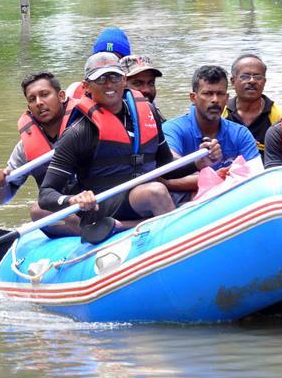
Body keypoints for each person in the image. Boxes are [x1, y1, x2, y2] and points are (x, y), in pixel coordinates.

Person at [38, 53, 222, 243]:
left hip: (139, 198)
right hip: (103, 205)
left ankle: (127, 226)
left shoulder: (148, 113)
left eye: (114, 77)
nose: (109, 84)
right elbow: (46, 194)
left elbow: (165, 165)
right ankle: (180, 246)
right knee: (156, 192)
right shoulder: (77, 133)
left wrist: (197, 162)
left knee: (155, 191)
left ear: (124, 80)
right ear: (86, 86)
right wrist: (73, 200)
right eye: (100, 79)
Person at [0, 72, 80, 236]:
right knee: (38, 211)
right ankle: (91, 228)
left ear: (61, 96)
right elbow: (3, 199)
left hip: (96, 198)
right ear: (29, 107)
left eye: (45, 95)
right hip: (64, 206)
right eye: (32, 99)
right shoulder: (25, 147)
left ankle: (106, 224)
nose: (39, 103)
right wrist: (0, 184)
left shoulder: (85, 126)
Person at [163, 65, 262, 173]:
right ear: (193, 97)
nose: (215, 100)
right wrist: (214, 175)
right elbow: (167, 171)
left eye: (220, 94)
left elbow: (257, 175)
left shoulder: (240, 133)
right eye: (208, 94)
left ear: (227, 98)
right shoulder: (172, 129)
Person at [221, 54, 282, 159]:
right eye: (245, 76)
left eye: (257, 77)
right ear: (233, 81)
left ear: (264, 82)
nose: (252, 81)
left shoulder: (277, 116)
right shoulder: (221, 113)